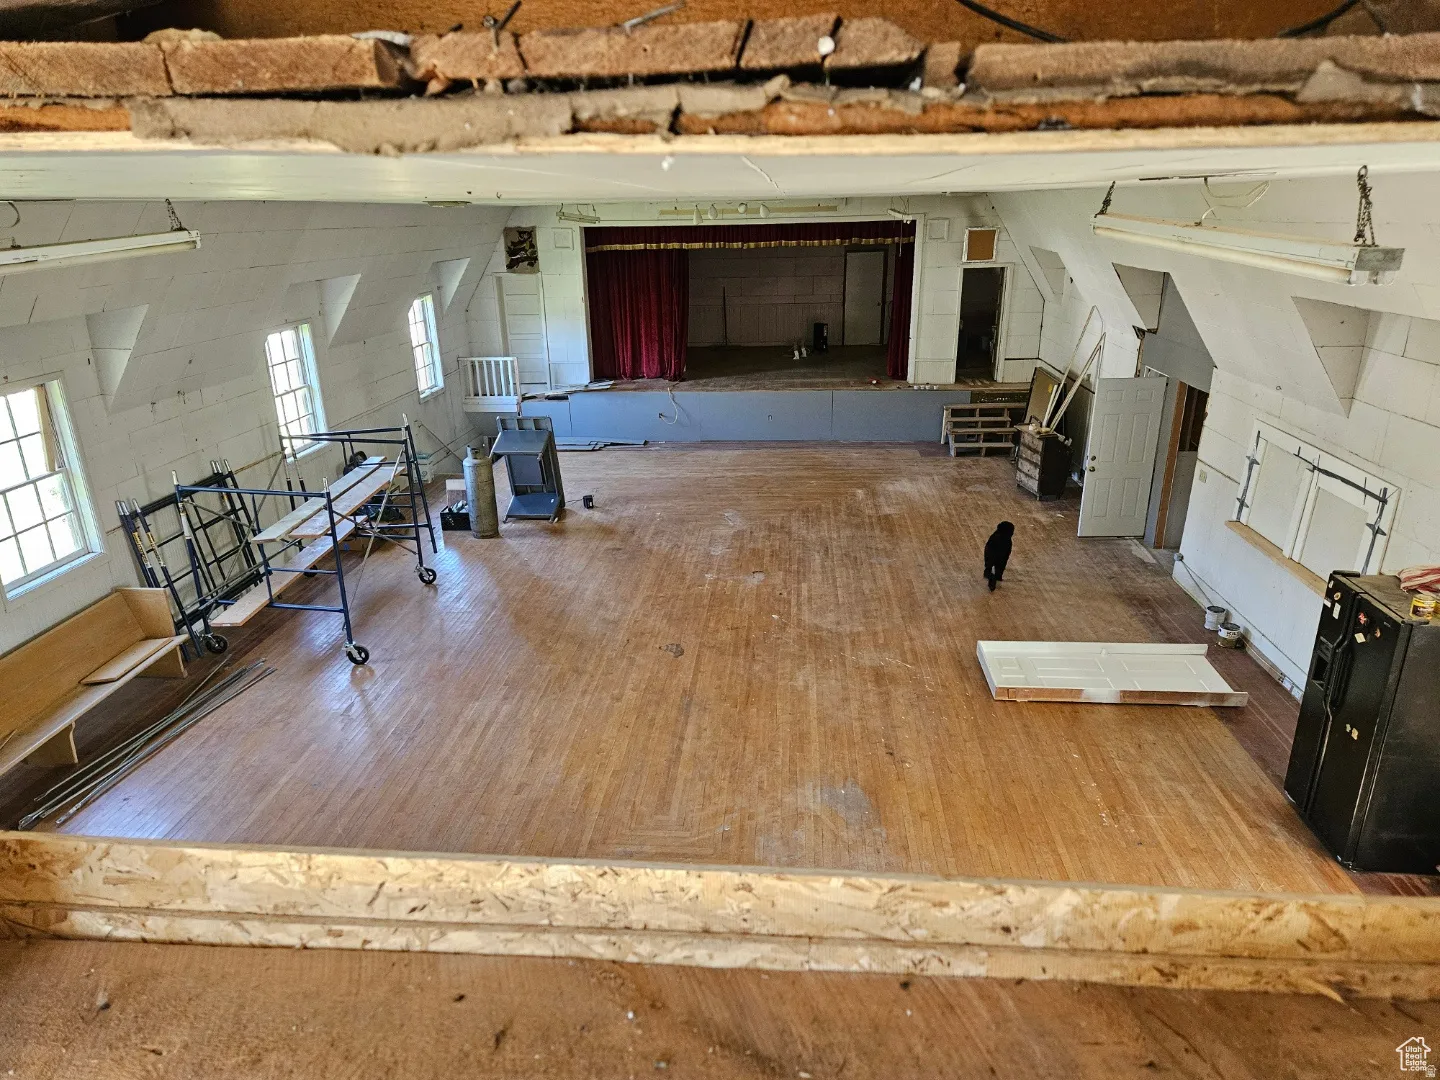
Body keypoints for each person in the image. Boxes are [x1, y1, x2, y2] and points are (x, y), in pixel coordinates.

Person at [984, 521, 1014, 592]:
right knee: (998, 572)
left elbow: (988, 548)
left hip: (991, 554)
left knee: (988, 570)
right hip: (1001, 556)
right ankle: (996, 577)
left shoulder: (994, 536)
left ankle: (991, 577)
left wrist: (988, 563)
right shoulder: (1008, 540)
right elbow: (1007, 554)